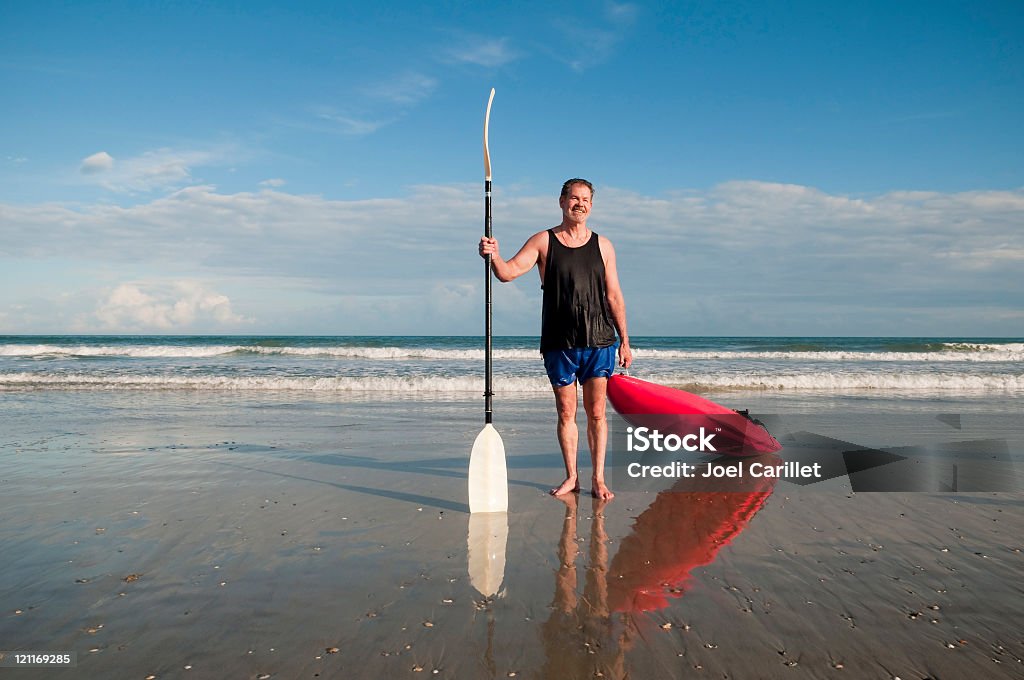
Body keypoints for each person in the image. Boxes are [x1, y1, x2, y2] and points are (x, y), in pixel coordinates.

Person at [479, 178, 632, 500]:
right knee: (566, 413)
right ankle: (572, 477)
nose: (580, 204)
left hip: (600, 341)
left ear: (592, 204)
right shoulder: (543, 241)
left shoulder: (603, 245)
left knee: (597, 414)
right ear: (562, 201)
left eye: (586, 199)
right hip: (559, 342)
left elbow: (614, 295)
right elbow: (507, 273)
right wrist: (493, 255)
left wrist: (625, 340)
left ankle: (599, 479)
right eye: (574, 198)